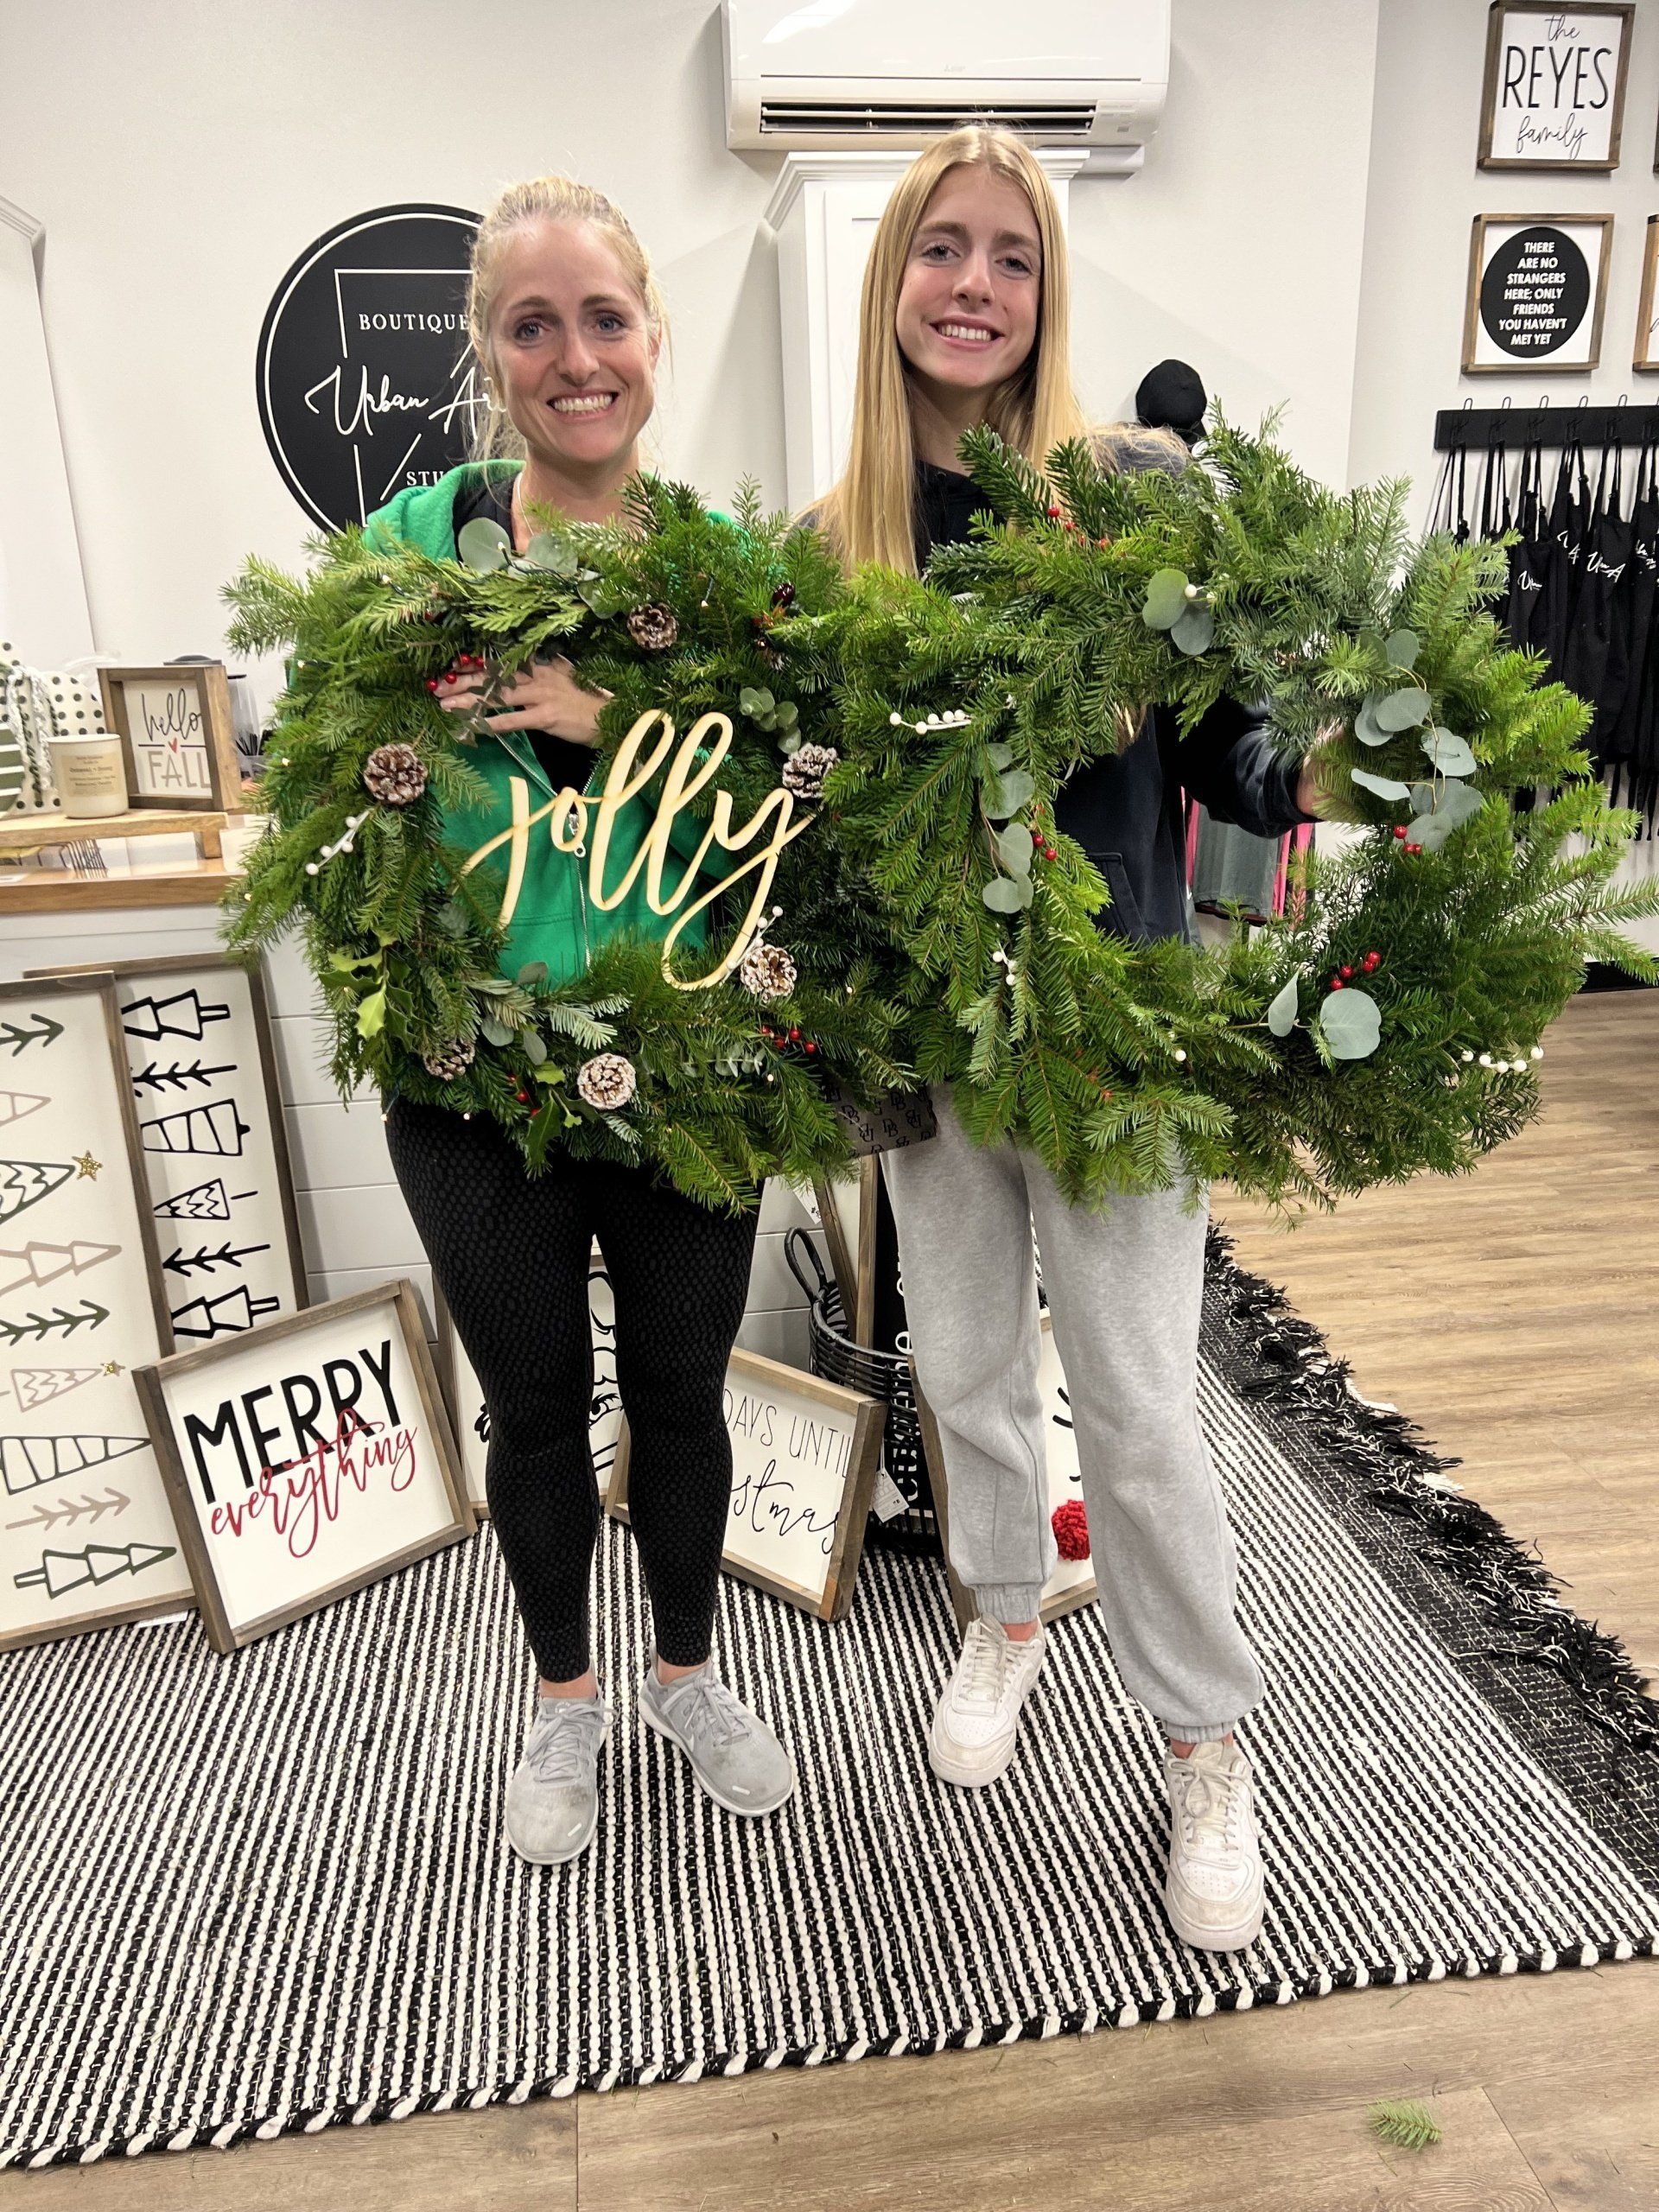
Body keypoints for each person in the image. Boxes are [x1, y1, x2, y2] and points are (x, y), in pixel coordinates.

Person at [809, 126, 1322, 1954]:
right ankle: (1007, 1603)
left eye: (1009, 257)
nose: (972, 285)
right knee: (960, 1373)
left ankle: (1209, 1736)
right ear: (891, 279)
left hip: (1111, 1039)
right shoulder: (836, 544)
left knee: (1142, 1405)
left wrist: (1319, 765)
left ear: (1047, 293)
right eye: (940, 248)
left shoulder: (1121, 500)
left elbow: (1227, 750)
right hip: (932, 1045)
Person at [367, 175, 796, 1867]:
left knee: (683, 1397)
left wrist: (611, 716)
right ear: (493, 350)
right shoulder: (418, 550)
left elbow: (779, 805)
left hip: (686, 1057)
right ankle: (564, 1700)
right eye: (531, 324)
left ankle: (687, 1671)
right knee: (534, 1410)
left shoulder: (723, 567)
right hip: (472, 1075)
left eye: (601, 317)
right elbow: (339, 773)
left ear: (652, 336)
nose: (573, 356)